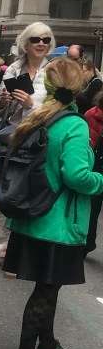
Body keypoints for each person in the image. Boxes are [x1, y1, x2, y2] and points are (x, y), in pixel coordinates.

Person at [2, 59, 103, 349]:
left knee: (50, 287)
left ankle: (46, 344)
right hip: (57, 223)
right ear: (79, 88)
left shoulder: (40, 116)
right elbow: (76, 176)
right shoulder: (72, 123)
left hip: (35, 217)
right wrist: (100, 181)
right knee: (46, 290)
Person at [0, 22, 52, 270]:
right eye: (35, 39)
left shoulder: (53, 71)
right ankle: (1, 252)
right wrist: (5, 101)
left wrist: (32, 104)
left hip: (39, 141)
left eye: (45, 39)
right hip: (10, 140)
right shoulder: (12, 71)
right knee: (4, 197)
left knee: (31, 198)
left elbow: (59, 109)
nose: (41, 43)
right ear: (25, 43)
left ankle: (22, 256)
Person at [84, 87, 103, 254]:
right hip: (95, 164)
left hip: (95, 164)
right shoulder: (91, 114)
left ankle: (87, 242)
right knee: (92, 206)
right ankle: (87, 242)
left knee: (92, 206)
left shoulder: (91, 113)